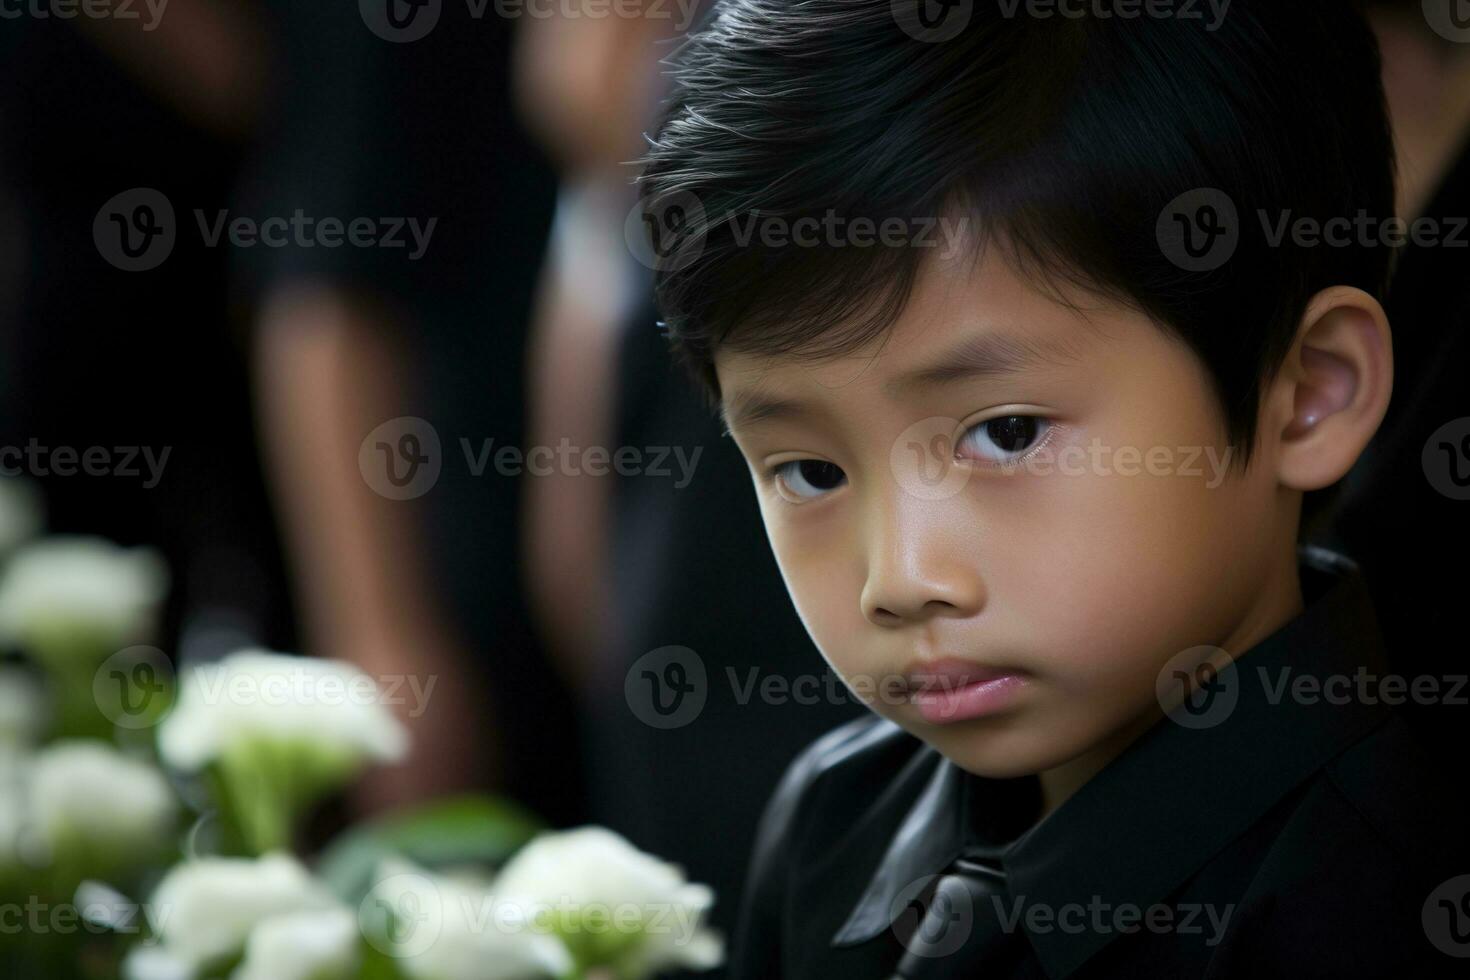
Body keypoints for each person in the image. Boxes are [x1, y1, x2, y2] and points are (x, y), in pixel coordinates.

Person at [635, 2, 1466, 977]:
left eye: (1008, 432)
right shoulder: (836, 820)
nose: (901, 578)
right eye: (810, 469)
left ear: (1308, 394)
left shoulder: (1386, 907)